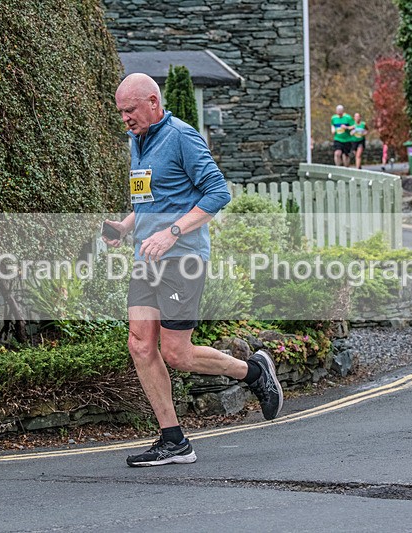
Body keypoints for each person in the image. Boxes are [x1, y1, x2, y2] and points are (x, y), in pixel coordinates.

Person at [103, 73, 284, 467]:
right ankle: (174, 440)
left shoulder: (182, 136)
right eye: (120, 112)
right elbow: (151, 199)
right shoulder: (139, 140)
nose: (125, 119)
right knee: (139, 344)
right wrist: (124, 226)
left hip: (181, 258)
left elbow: (218, 193)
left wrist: (171, 233)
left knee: (177, 353)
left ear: (153, 101)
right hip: (146, 260)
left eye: (130, 110)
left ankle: (254, 372)